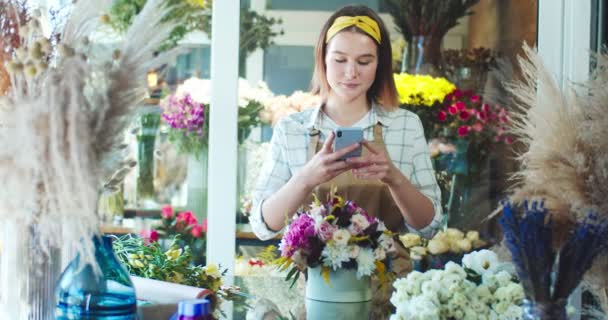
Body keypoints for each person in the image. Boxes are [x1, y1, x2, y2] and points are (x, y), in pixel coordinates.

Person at [250, 5, 442, 241]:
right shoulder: (292, 129)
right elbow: (262, 226)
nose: (351, 73)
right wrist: (305, 179)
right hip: (312, 277)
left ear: (380, 64)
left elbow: (430, 227)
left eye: (364, 61)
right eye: (340, 60)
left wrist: (395, 178)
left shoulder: (406, 125)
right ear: (323, 59)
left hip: (388, 276)